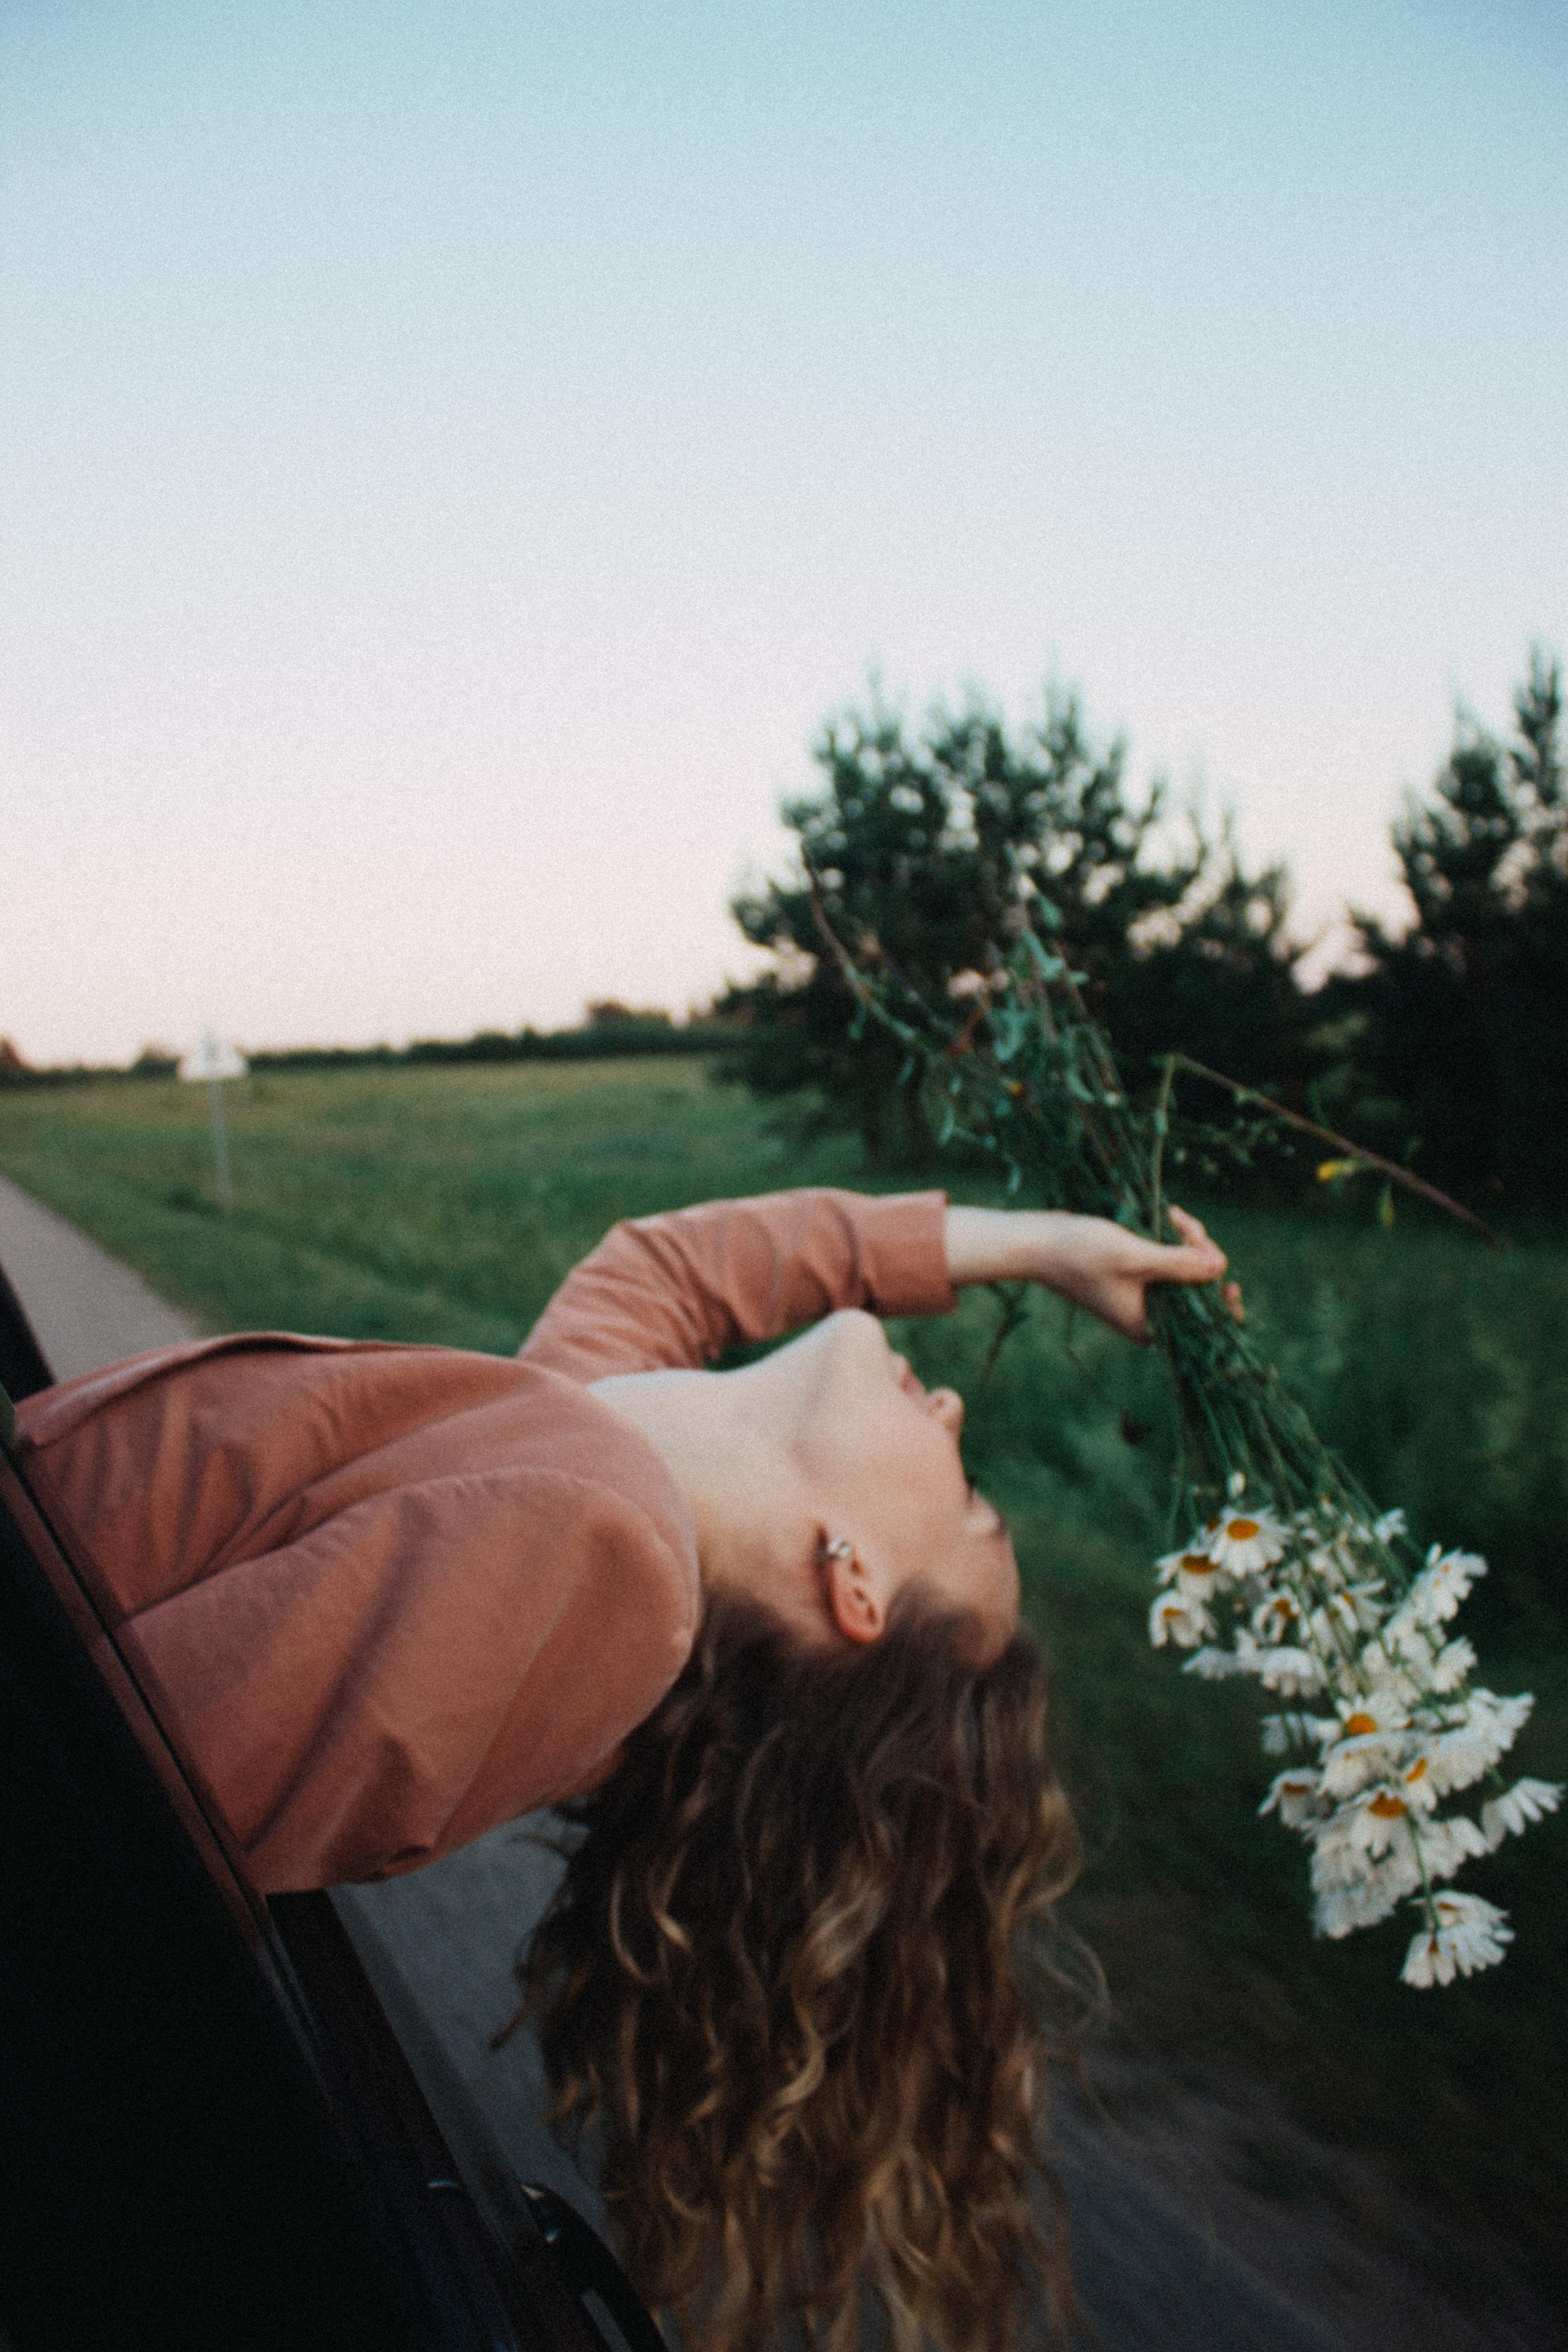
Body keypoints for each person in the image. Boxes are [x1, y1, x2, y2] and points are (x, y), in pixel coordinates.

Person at [13, 1185, 1226, 2352]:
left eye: (971, 1503)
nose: (955, 1407)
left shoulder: (599, 1553)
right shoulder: (603, 1435)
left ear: (854, 1580)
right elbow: (673, 1266)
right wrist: (1040, 1245)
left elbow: (86, 1803)